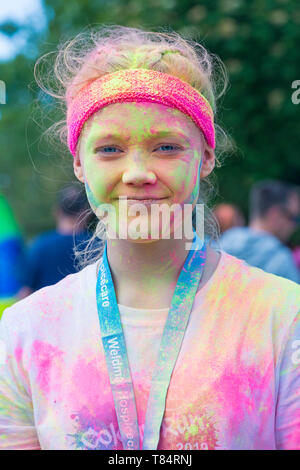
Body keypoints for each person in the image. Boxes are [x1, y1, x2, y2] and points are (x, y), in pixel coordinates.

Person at [0, 26, 299, 451]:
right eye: (109, 149)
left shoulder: (283, 318)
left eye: (166, 147)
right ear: (79, 164)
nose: (138, 173)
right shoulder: (23, 334)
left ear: (207, 157)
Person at [17, 185, 96, 298]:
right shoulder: (98, 246)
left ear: (57, 212)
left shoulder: (40, 245)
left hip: (48, 313)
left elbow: (25, 292)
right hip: (89, 313)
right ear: (85, 213)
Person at [220, 180, 300, 283]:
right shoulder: (281, 261)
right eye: (293, 218)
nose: (295, 226)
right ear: (274, 214)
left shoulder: (220, 245)